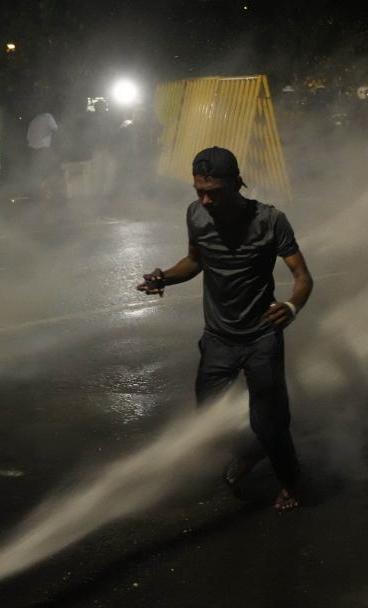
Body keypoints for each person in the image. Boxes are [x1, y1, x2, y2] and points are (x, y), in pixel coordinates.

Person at [137, 146, 314, 511]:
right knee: (210, 419)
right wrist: (164, 277)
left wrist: (292, 306)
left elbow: (302, 276)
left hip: (261, 336)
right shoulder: (196, 215)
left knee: (269, 423)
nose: (205, 199)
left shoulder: (270, 220)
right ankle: (249, 453)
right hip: (218, 338)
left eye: (214, 192)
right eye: (199, 190)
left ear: (236, 183)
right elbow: (195, 261)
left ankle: (292, 482)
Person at [26, 110, 59, 198]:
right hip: (43, 149)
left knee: (38, 172)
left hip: (33, 150)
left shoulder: (34, 120)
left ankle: (38, 193)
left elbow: (28, 138)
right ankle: (48, 192)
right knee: (49, 170)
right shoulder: (48, 116)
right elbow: (55, 129)